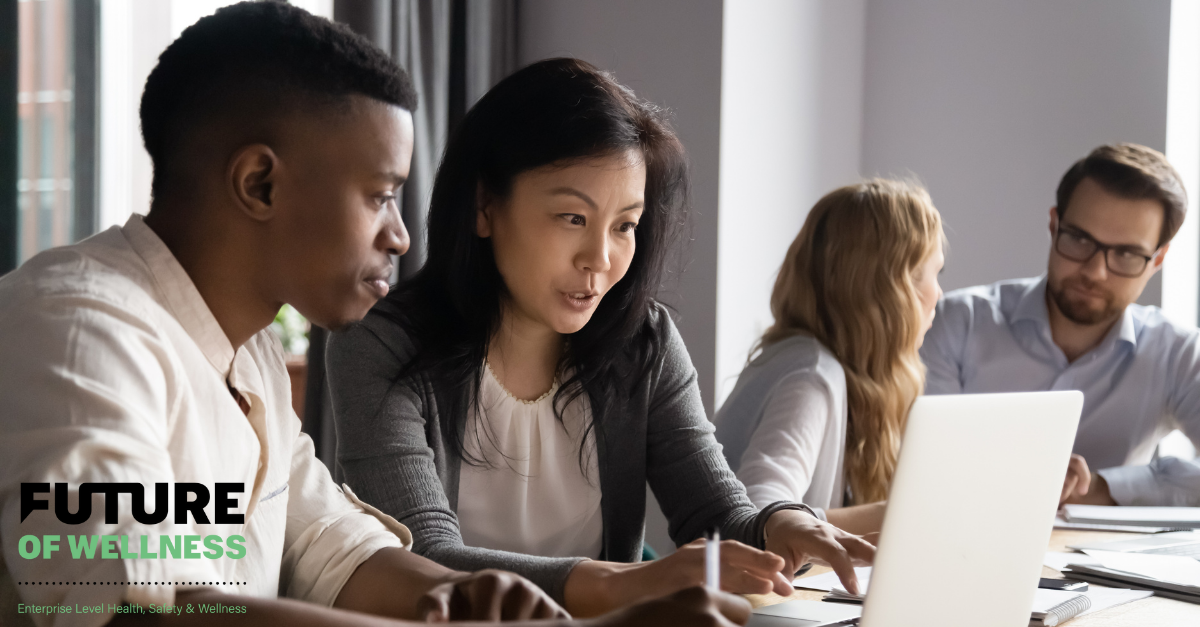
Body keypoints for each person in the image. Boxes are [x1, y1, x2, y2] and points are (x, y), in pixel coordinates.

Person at [0, 4, 751, 626]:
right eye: (381, 194)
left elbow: (336, 548)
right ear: (260, 183)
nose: (401, 234)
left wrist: (468, 599)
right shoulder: (82, 329)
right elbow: (128, 605)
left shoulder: (245, 351)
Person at [326, 57, 875, 619]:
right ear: (485, 206)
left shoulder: (645, 342)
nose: (601, 259)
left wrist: (781, 524)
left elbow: (714, 512)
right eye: (572, 218)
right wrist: (622, 583)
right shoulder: (381, 346)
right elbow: (426, 562)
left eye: (624, 225)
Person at [921, 143, 1200, 507]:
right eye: (1080, 239)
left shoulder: (1177, 353)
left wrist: (1099, 487)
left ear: (1158, 259)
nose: (1095, 272)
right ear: (1054, 225)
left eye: (1127, 254)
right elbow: (927, 472)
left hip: (1109, 561)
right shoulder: (958, 323)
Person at [714, 180, 946, 537]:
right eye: (935, 274)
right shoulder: (811, 376)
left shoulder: (810, 361)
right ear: (893, 291)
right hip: (734, 592)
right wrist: (895, 514)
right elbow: (759, 515)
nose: (939, 294)